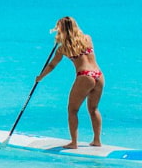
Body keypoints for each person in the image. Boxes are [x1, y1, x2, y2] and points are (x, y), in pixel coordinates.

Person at [35, 17, 104, 149]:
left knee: (72, 110)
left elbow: (52, 65)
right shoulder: (87, 38)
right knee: (93, 109)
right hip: (98, 75)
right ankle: (97, 140)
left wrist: (40, 77)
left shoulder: (63, 48)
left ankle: (74, 143)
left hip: (85, 76)